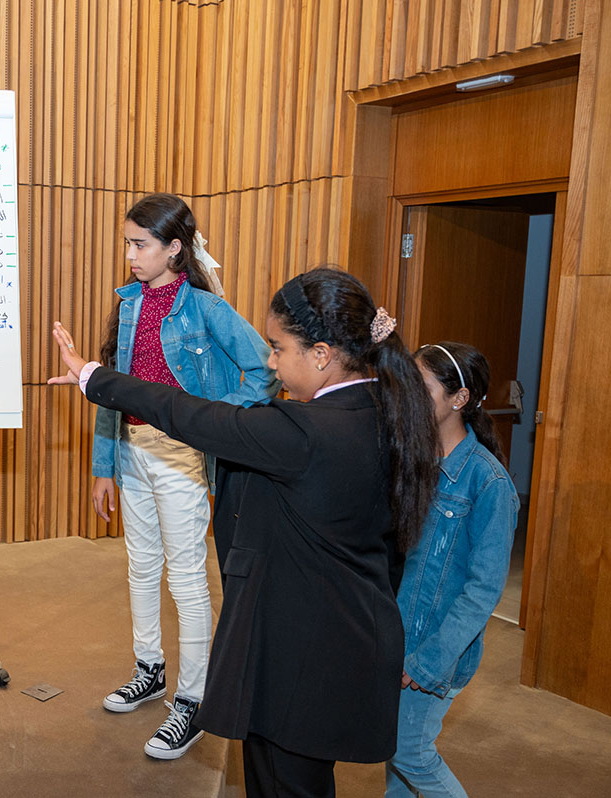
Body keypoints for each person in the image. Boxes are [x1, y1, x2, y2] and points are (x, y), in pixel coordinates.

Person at [49, 266, 439, 797]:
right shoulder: (387, 412)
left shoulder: (306, 433)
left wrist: (93, 376)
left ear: (321, 354)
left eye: (277, 348)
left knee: (281, 782)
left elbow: (188, 414)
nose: (270, 362)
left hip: (297, 656)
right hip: (349, 638)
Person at [90, 193, 276, 760]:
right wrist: (104, 467)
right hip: (132, 453)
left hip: (183, 458)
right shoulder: (128, 306)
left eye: (139, 244)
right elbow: (113, 389)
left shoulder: (206, 308)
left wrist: (217, 420)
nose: (130, 255)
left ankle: (193, 700)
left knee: (187, 579)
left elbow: (265, 369)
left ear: (175, 248)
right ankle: (149, 670)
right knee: (141, 567)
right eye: (127, 244)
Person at [385, 342, 518, 797]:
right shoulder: (414, 460)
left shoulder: (489, 483)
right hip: (400, 636)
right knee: (396, 754)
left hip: (435, 652)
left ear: (459, 399)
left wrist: (429, 662)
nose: (409, 397)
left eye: (422, 388)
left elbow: (482, 592)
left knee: (411, 754)